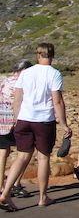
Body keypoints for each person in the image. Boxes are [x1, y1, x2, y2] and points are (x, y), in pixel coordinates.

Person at [0, 43, 71, 212]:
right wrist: (63, 123)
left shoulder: (25, 73)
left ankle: (5, 192)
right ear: (52, 55)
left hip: (24, 118)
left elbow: (17, 98)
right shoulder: (54, 74)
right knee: (43, 158)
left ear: (38, 55)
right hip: (43, 119)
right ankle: (42, 197)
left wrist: (17, 118)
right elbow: (57, 101)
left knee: (22, 156)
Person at [0, 60, 33, 200]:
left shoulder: (3, 80)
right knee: (25, 152)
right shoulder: (22, 83)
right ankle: (16, 183)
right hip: (17, 120)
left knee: (2, 153)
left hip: (2, 120)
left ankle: (1, 185)